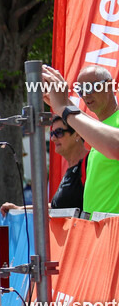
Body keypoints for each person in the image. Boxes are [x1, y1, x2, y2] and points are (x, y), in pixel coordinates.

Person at [39, 66, 119, 218]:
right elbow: (98, 128)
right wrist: (64, 103)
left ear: (109, 85)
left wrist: (64, 108)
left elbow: (115, 145)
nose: (85, 95)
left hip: (113, 232)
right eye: (81, 90)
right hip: (98, 231)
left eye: (90, 87)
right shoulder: (103, 128)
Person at [0, 115, 87, 214]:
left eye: (59, 133)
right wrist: (20, 209)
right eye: (52, 133)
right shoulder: (71, 169)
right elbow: (56, 207)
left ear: (77, 134)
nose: (53, 138)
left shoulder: (89, 163)